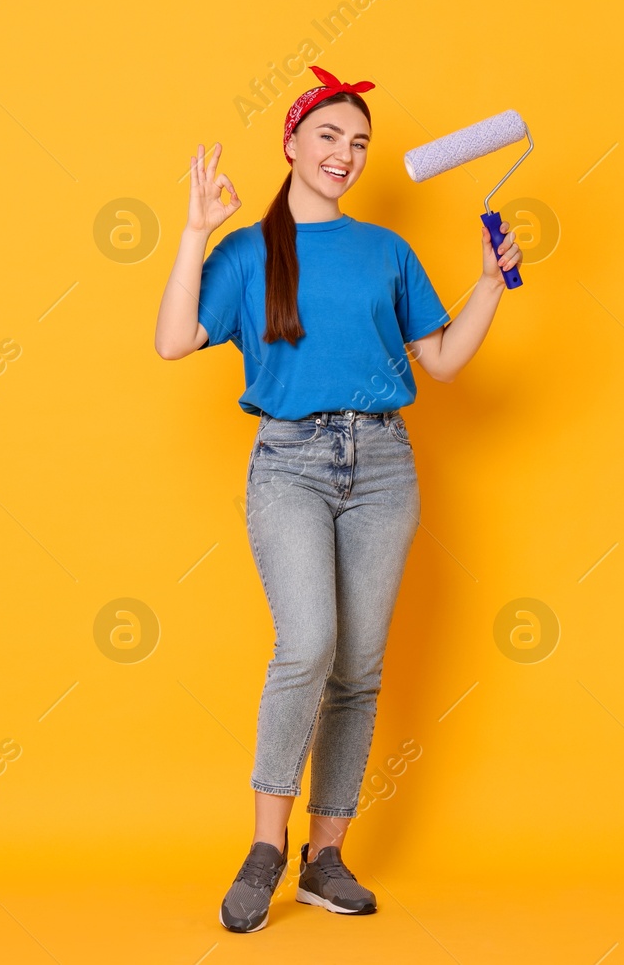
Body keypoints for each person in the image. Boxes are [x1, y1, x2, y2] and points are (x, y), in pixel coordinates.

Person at [153, 65, 521, 933]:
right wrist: (195, 232)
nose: (346, 156)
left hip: (385, 463)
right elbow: (173, 339)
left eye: (359, 144)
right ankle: (266, 847)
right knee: (308, 642)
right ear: (290, 144)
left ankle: (326, 859)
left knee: (357, 665)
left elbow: (442, 362)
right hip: (290, 462)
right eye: (329, 137)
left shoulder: (387, 251)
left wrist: (491, 284)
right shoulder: (249, 251)